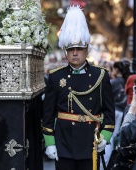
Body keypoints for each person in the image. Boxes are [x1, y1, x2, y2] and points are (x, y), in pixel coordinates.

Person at [42, 6, 115, 170]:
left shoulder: (100, 76)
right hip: (63, 143)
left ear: (87, 50)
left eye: (79, 49)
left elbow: (109, 113)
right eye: (71, 49)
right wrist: (50, 143)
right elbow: (48, 114)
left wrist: (105, 137)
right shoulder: (55, 77)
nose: (75, 53)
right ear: (66, 52)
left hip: (90, 142)